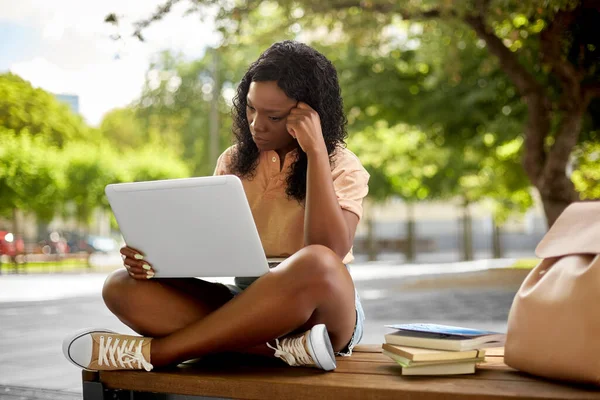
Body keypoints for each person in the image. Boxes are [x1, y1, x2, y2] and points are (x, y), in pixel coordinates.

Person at [62, 40, 370, 372]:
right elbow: (208, 246)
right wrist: (153, 260)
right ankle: (282, 350)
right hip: (242, 305)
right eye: (251, 108)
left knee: (317, 262)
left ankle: (158, 354)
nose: (257, 125)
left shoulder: (341, 164)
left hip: (320, 311)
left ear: (311, 114)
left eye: (274, 116)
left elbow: (330, 249)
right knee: (120, 286)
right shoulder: (234, 160)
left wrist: (316, 152)